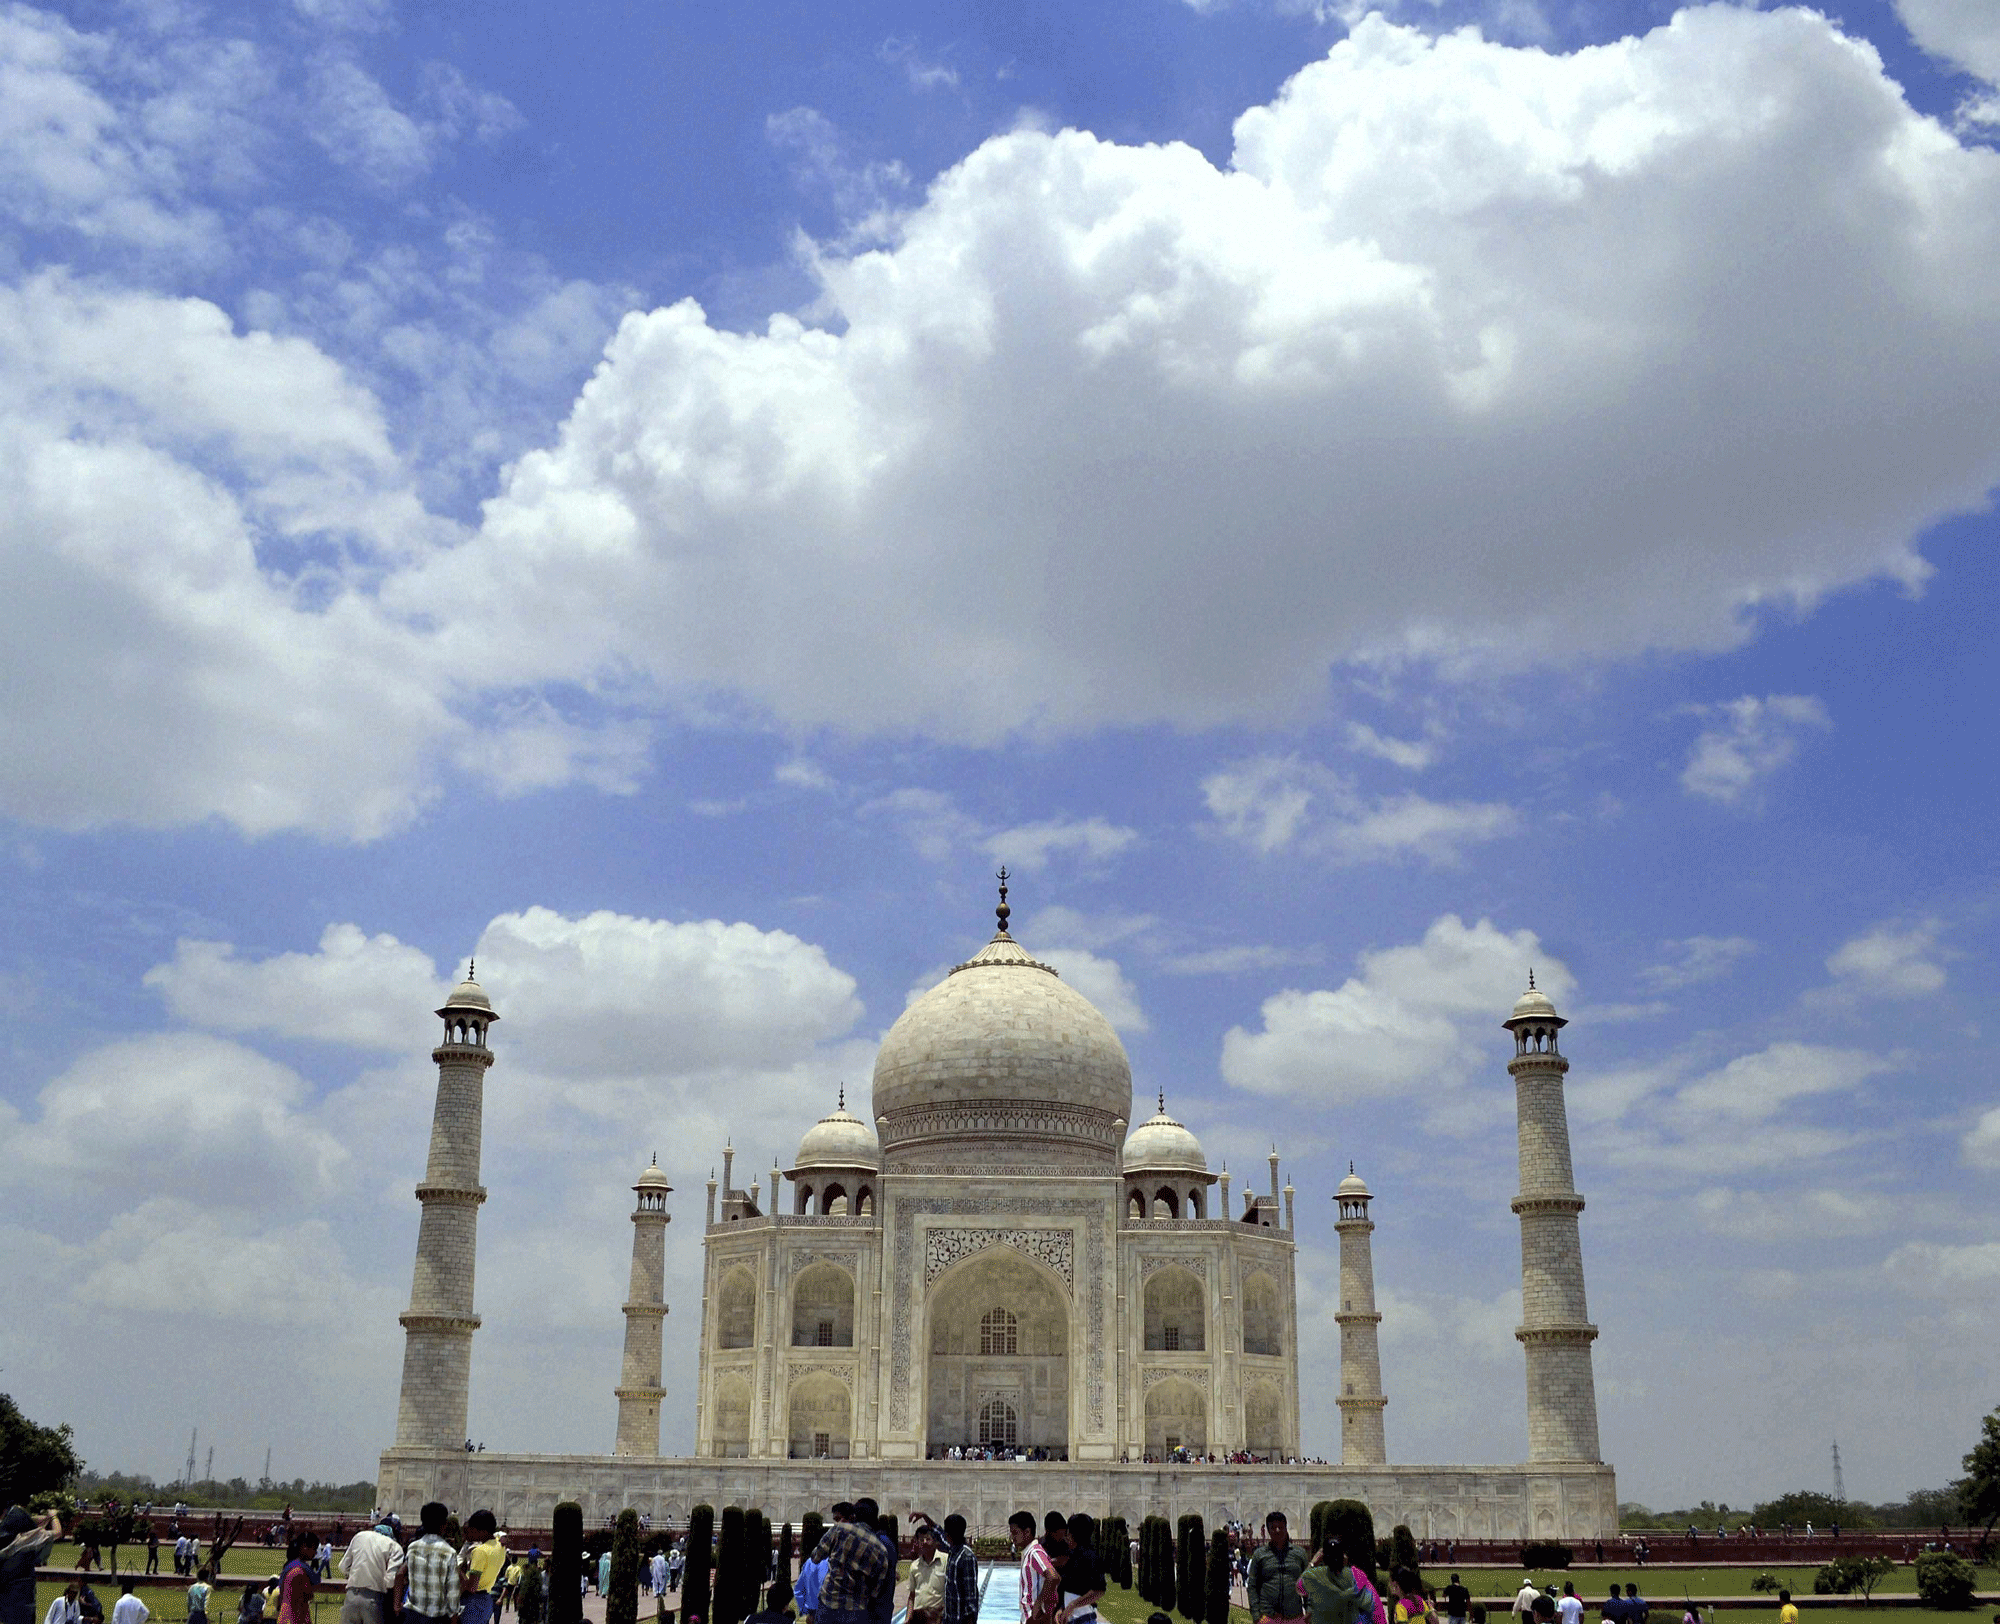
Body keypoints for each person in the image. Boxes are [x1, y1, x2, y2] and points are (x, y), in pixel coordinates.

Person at [808, 1500, 893, 1624]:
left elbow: (815, 1557)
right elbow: (876, 1591)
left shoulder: (839, 1530)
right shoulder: (881, 1550)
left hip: (829, 1603)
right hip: (856, 1612)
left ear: (854, 1515)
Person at [342, 1516, 407, 1624]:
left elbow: (343, 1567)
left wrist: (358, 1575)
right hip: (374, 1599)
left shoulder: (360, 1536)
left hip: (351, 1596)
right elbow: (390, 1581)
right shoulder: (394, 1546)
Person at [405, 1504, 462, 1624]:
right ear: (444, 1525)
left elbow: (403, 1575)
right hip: (436, 1617)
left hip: (412, 1615)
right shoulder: (449, 1552)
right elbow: (452, 1591)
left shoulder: (412, 1548)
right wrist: (454, 1616)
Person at [1248, 1514, 1307, 1624]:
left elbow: (1307, 1585)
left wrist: (1309, 1614)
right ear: (1268, 1530)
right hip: (1268, 1617)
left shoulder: (1299, 1554)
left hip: (1294, 1616)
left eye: (1280, 1527)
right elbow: (1252, 1585)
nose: (1277, 1530)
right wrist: (1256, 1616)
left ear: (1286, 1527)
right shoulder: (1260, 1555)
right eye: (1273, 1528)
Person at [1008, 1513, 1056, 1624]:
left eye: (1015, 1533)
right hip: (1028, 1617)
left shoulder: (1035, 1553)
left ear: (1027, 1532)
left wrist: (1038, 1605)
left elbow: (1053, 1577)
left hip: (1035, 1618)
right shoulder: (1028, 1553)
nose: (1012, 1537)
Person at [1058, 1515, 1105, 1624]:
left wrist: (1072, 1605)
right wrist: (1061, 1609)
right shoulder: (1072, 1556)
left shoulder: (1091, 1557)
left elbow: (1099, 1591)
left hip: (1084, 1619)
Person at [462, 1512, 506, 1624]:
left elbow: (472, 1586)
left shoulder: (480, 1551)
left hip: (472, 1602)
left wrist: (457, 1571)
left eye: (472, 1530)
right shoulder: (500, 1547)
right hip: (486, 1601)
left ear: (482, 1531)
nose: (469, 1534)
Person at [906, 1525, 947, 1624]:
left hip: (937, 1617)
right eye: (921, 1540)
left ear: (935, 1541)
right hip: (918, 1617)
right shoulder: (914, 1566)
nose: (924, 1542)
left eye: (927, 1539)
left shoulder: (946, 1561)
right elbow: (912, 1595)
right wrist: (907, 1618)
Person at [277, 1533, 317, 1624]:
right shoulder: (299, 1571)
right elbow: (307, 1596)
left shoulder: (289, 1568)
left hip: (285, 1617)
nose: (315, 1553)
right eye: (314, 1549)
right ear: (304, 1547)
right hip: (294, 1618)